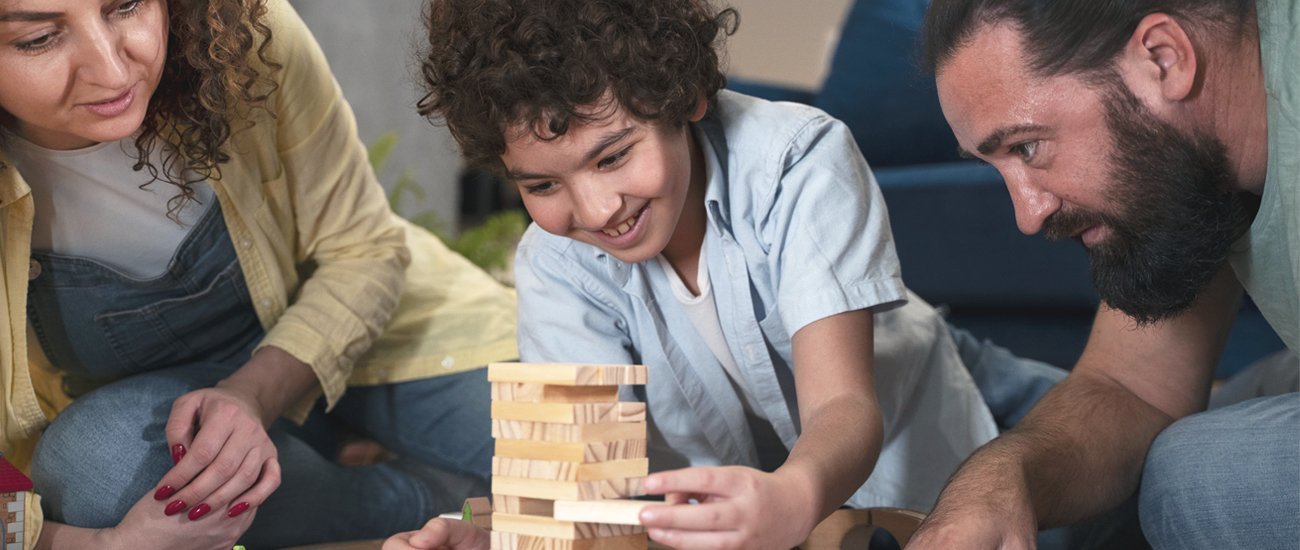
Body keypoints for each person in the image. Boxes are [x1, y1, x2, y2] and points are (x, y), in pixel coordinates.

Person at [399, 0, 1067, 548]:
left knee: (1128, 463)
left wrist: (794, 494)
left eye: (613, 157)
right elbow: (580, 481)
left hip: (942, 397)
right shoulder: (554, 263)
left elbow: (842, 406)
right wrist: (497, 535)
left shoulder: (798, 160)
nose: (596, 210)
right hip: (789, 486)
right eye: (543, 183)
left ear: (682, 97)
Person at [0, 0, 518, 547]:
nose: (111, 68)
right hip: (154, 414)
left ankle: (357, 454)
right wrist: (107, 545)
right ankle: (421, 497)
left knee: (588, 454)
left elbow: (363, 247)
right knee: (97, 475)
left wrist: (251, 395)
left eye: (127, 6)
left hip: (376, 333)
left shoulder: (238, 33)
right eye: (37, 39)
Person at [909, 0, 1300, 548]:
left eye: (1028, 146)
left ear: (1164, 59)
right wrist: (1000, 479)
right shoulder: (1193, 162)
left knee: (1200, 474)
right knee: (1230, 407)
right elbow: (1134, 387)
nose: (1027, 215)